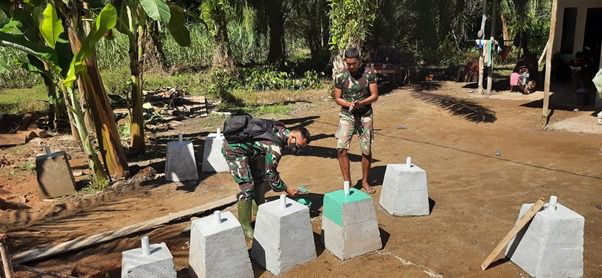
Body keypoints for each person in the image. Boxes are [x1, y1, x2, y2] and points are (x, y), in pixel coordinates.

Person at [221, 117, 311, 238]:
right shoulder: (276, 148)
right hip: (234, 151)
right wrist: (286, 189)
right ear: (292, 136)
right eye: (297, 146)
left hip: (249, 151)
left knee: (258, 178)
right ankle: (245, 226)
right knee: (247, 188)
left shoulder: (281, 128)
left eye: (300, 148)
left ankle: (259, 211)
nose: (295, 149)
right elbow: (271, 174)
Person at [333, 47, 379, 194]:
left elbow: (374, 95)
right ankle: (348, 182)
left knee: (366, 150)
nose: (351, 66)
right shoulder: (340, 76)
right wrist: (350, 105)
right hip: (347, 114)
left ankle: (365, 181)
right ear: (345, 61)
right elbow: (338, 98)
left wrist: (361, 103)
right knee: (341, 148)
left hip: (365, 114)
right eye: (348, 63)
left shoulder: (369, 73)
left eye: (354, 63)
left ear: (359, 60)